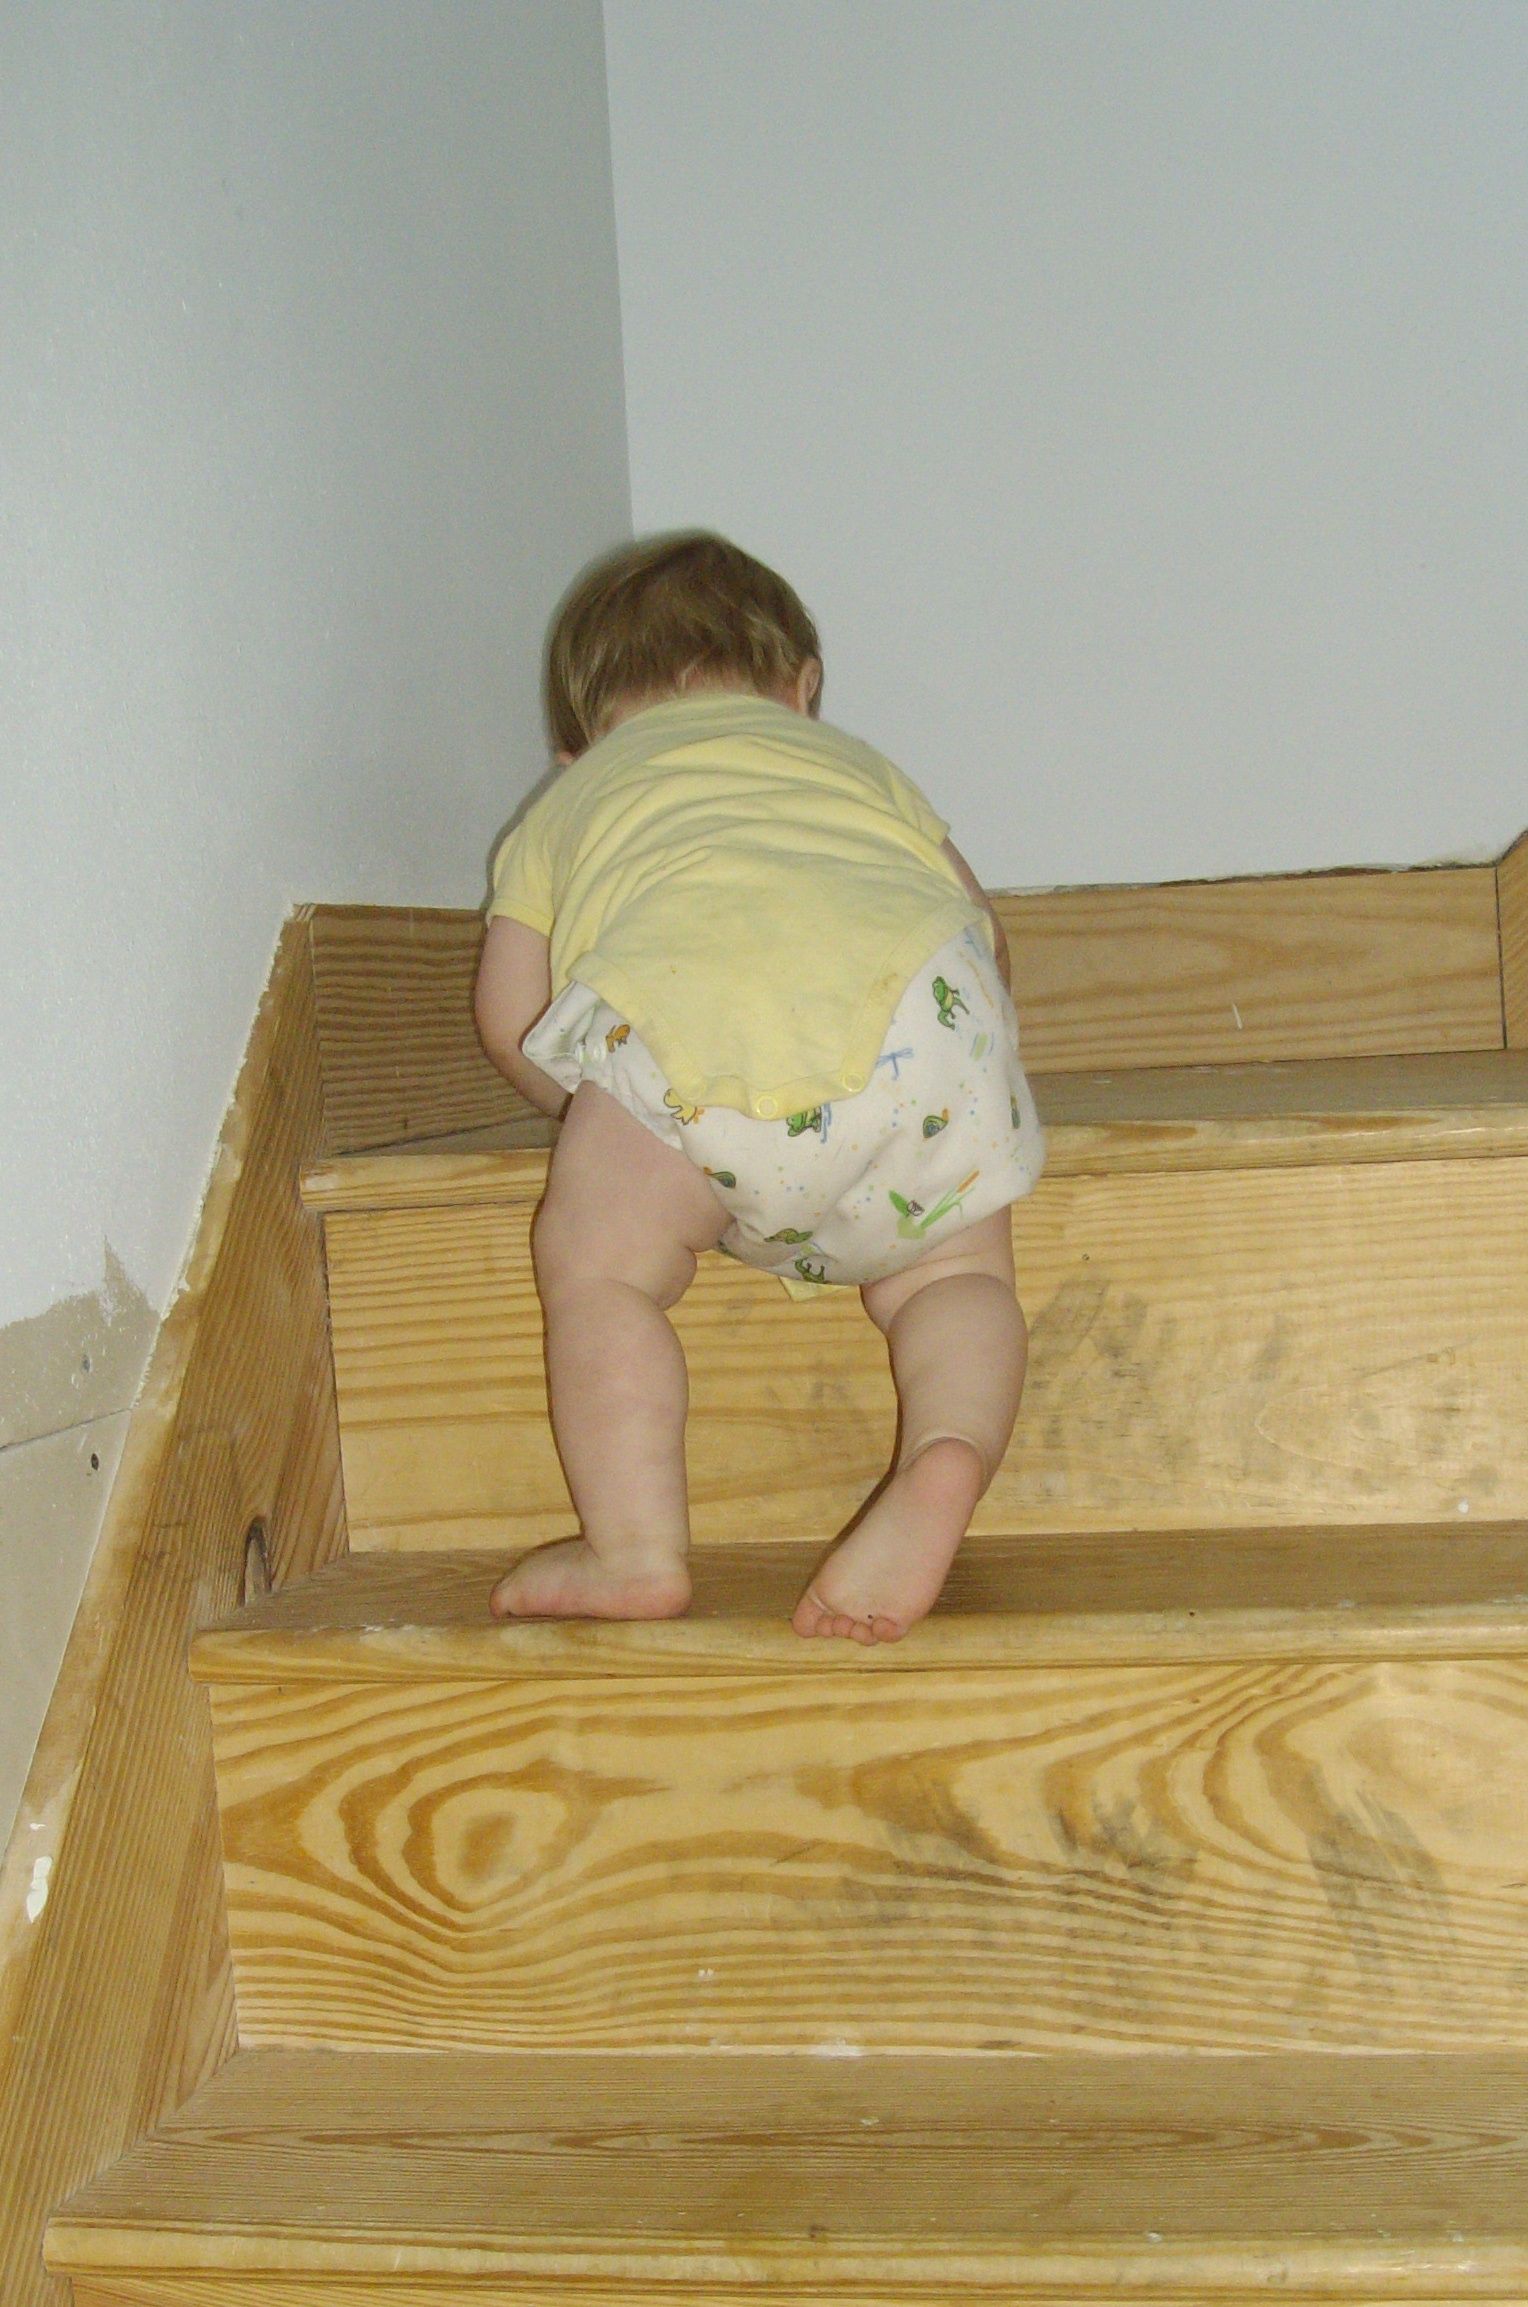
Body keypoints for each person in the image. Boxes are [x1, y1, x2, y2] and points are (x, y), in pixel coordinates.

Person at [474, 532, 1045, 1643]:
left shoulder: (571, 800)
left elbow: (512, 1017)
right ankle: (946, 1452)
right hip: (921, 1031)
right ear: (802, 690)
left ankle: (632, 1548)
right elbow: (983, 927)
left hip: (688, 1039)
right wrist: (963, 1067)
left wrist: (604, 1115)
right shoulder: (858, 769)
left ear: (573, 746)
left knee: (599, 1271)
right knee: (956, 1276)